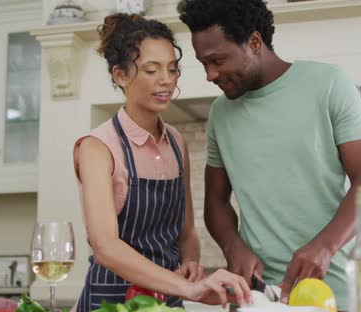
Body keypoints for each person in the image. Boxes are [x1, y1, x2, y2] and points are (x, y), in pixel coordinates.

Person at [178, 0, 361, 310]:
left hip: (340, 293)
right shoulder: (220, 113)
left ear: (254, 42)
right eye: (203, 63)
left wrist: (325, 246)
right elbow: (216, 201)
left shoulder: (329, 84)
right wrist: (233, 247)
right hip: (261, 299)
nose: (210, 74)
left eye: (217, 60)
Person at [73, 13, 251, 311]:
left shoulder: (176, 142)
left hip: (167, 300)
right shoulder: (98, 147)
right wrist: (188, 289)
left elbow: (186, 233)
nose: (166, 80)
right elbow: (105, 246)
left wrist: (191, 262)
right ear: (120, 76)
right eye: (151, 70)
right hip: (112, 301)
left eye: (172, 68)